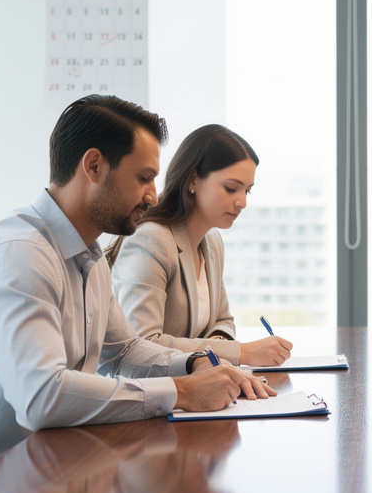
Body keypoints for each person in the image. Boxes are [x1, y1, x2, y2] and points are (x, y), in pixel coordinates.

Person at [0, 95, 275, 467]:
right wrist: (180, 391)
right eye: (143, 178)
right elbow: (42, 397)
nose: (153, 197)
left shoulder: (88, 257)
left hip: (30, 465)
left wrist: (193, 365)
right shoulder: (19, 254)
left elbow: (123, 353)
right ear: (93, 167)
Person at [106, 124, 292, 366]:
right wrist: (240, 352)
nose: (242, 202)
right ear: (193, 179)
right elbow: (144, 344)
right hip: (150, 387)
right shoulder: (151, 241)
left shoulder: (212, 242)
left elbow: (224, 321)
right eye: (231, 188)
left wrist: (214, 348)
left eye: (247, 191)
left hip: (198, 383)